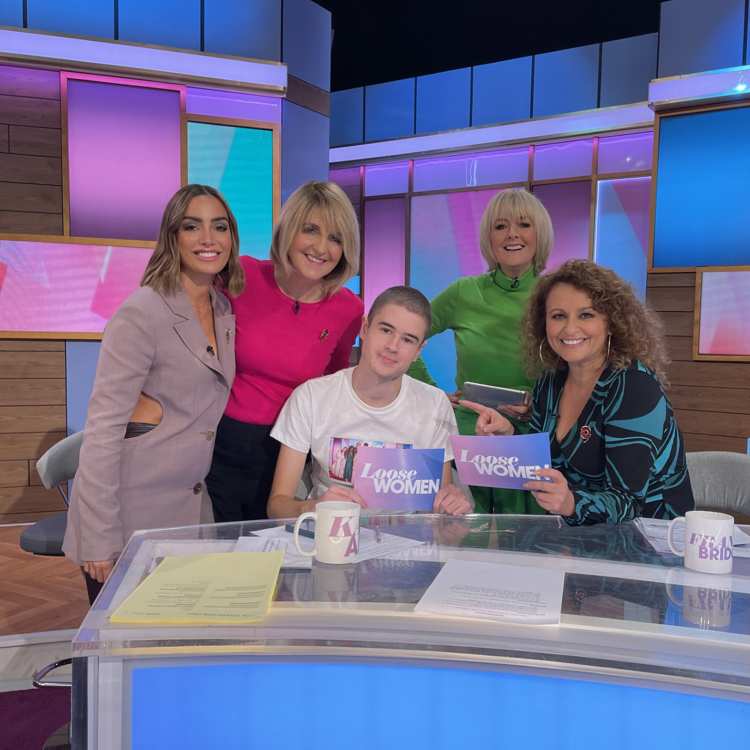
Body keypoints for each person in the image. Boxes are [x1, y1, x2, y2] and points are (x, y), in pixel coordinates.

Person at [62, 184, 244, 602]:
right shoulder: (142, 312)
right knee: (127, 640)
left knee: (180, 633)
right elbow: (103, 430)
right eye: (192, 227)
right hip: (130, 511)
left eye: (219, 227)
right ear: (172, 236)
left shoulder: (221, 309)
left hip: (190, 509)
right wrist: (100, 537)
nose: (208, 239)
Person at [461, 259, 694, 525]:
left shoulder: (634, 387)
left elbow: (628, 502)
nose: (570, 329)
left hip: (650, 538)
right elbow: (544, 460)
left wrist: (570, 503)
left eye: (586, 315)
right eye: (558, 316)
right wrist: (509, 434)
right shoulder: (550, 382)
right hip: (575, 533)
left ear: (611, 322)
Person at [206, 181, 363, 523]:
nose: (321, 248)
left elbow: (333, 383)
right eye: (311, 230)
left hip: (288, 452)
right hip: (219, 442)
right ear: (288, 229)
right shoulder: (242, 275)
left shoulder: (348, 308)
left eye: (335, 238)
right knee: (218, 548)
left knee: (274, 548)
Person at [268, 286, 473, 518]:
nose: (392, 346)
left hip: (408, 536)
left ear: (419, 350)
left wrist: (451, 508)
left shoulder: (435, 404)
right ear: (365, 328)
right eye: (386, 330)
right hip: (331, 533)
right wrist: (314, 507)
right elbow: (277, 506)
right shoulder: (311, 397)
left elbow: (440, 511)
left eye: (408, 340)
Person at [409, 188, 554, 514]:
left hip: (532, 436)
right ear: (489, 237)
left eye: (524, 224)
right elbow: (406, 335)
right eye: (500, 226)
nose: (512, 234)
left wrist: (541, 406)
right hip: (469, 436)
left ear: (540, 234)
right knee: (466, 535)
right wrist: (432, 392)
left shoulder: (556, 294)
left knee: (530, 538)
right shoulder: (464, 292)